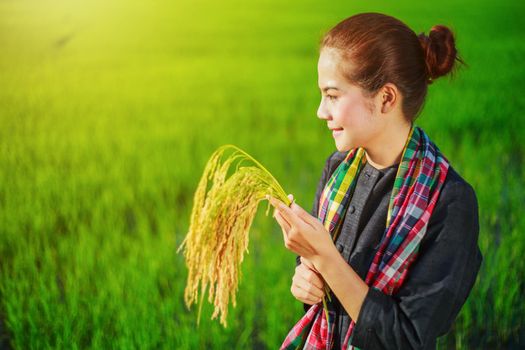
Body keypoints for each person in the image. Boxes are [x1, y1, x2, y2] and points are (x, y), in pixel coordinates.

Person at [267, 12, 483, 350]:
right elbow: (320, 285)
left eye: (333, 95)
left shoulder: (451, 202)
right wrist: (306, 278)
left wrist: (325, 258)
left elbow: (407, 338)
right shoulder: (337, 170)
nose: (320, 111)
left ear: (385, 99)